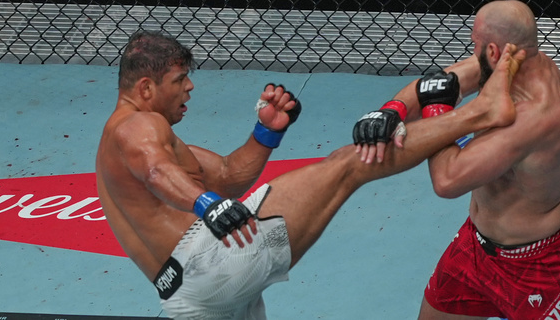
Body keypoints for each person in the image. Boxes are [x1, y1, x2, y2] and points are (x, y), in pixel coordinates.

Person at [96, 30, 523, 320]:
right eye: (179, 80)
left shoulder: (122, 142)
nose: (189, 87)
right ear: (146, 88)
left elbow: (227, 175)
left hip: (187, 299)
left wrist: (266, 132)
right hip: (209, 260)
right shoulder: (138, 127)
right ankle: (480, 112)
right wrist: (207, 204)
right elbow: (156, 171)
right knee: (347, 165)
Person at [353, 0, 560, 320]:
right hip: (475, 247)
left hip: (536, 266)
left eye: (475, 43)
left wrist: (437, 112)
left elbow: (448, 180)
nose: (471, 51)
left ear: (493, 50)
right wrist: (392, 110)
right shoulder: (515, 61)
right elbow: (437, 83)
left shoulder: (533, 116)